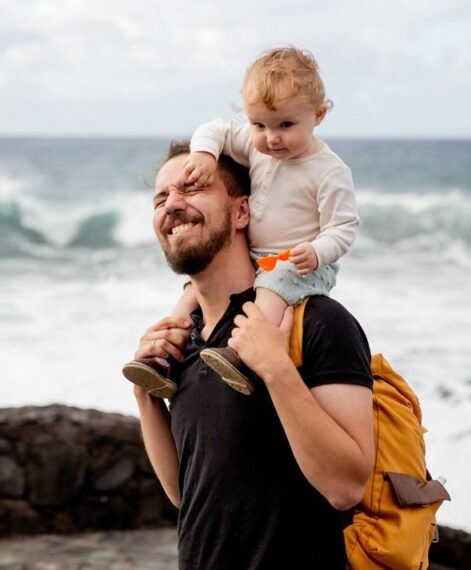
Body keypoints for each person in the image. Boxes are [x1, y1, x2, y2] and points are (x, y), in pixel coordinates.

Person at [132, 140, 374, 569]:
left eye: (192, 188)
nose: (172, 204)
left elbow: (346, 486)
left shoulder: (317, 321)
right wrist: (146, 398)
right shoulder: (185, 341)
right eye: (160, 198)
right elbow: (186, 495)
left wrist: (276, 369)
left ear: (242, 211)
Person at [123, 46, 359, 397]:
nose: (271, 138)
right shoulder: (255, 146)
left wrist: (317, 251)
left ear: (319, 115)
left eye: (285, 125)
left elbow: (344, 227)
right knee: (192, 291)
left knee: (272, 285)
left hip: (300, 262)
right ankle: (165, 357)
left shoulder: (329, 171)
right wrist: (204, 155)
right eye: (259, 124)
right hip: (259, 256)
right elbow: (214, 129)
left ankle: (242, 356)